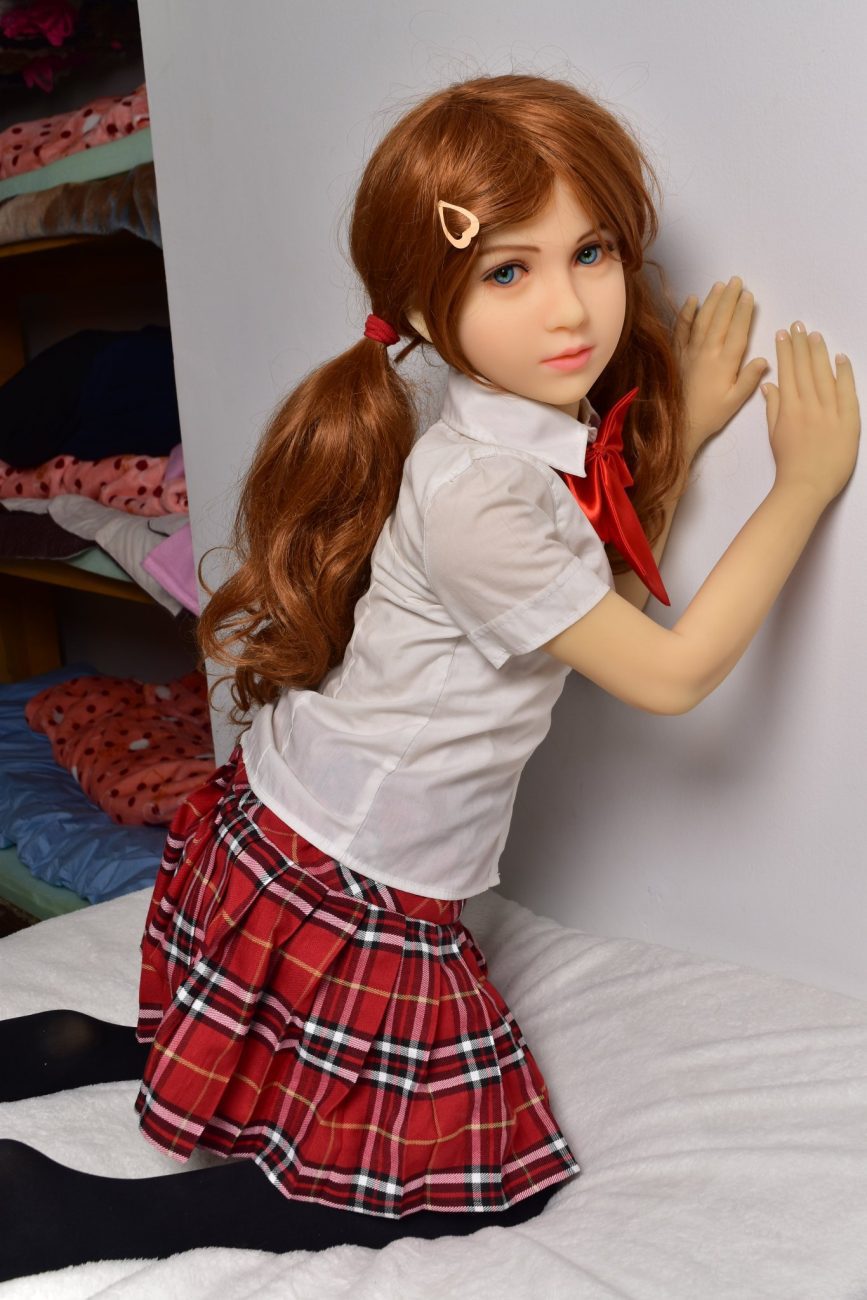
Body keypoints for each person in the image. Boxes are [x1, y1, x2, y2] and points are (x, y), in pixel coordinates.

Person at [0, 71, 859, 1282]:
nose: (571, 308)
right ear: (418, 302)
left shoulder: (509, 445)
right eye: (509, 271)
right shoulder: (479, 497)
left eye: (593, 251)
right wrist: (801, 489)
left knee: (298, 1067)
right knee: (470, 1182)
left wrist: (693, 432)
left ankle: (81, 1046)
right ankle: (80, 1213)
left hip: (298, 821)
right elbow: (666, 673)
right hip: (355, 870)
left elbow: (593, 584)